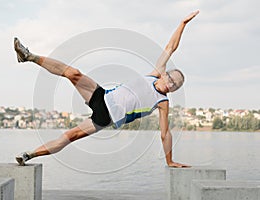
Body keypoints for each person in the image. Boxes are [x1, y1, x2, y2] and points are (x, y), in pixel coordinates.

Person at [15, 11, 199, 167]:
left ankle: (28, 155)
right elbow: (170, 47)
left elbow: (165, 133)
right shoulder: (155, 73)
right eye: (172, 80)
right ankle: (29, 56)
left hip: (106, 117)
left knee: (68, 136)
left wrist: (170, 160)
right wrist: (183, 23)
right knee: (74, 73)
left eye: (176, 86)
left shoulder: (162, 103)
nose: (171, 85)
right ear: (165, 74)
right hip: (103, 96)